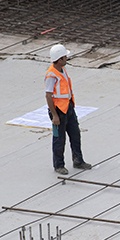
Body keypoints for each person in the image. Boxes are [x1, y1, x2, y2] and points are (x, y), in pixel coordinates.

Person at [45, 44, 92, 175]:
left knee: (75, 135)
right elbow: (48, 96)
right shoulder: (51, 75)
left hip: (68, 108)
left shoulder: (62, 69)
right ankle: (58, 165)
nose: (67, 58)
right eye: (65, 57)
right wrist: (54, 115)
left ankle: (78, 160)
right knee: (59, 139)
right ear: (59, 59)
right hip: (59, 111)